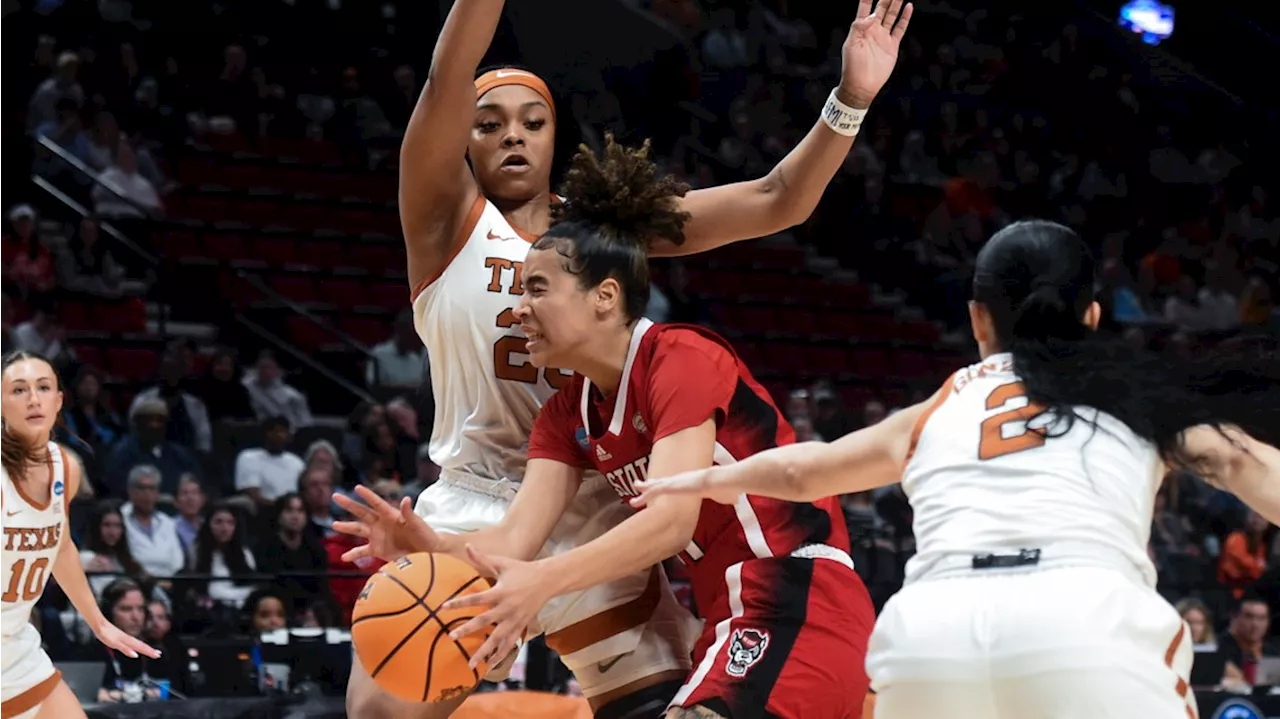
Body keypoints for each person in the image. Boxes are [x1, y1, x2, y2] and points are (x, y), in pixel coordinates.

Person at [356, 0, 913, 715]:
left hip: (607, 506)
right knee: (381, 705)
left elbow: (776, 199)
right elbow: (445, 76)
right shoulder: (442, 217)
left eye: (534, 121)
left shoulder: (599, 244)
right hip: (488, 503)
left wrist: (850, 100)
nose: (513, 136)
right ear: (462, 137)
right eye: (489, 123)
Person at [632, 221, 1280, 718]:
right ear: (1091, 317)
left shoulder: (939, 404)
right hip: (1084, 621)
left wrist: (698, 478)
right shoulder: (1136, 389)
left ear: (976, 319)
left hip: (927, 634)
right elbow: (1236, 457)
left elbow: (807, 471)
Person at [0, 350, 158, 717]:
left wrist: (99, 622)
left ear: (58, 401)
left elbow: (60, 545)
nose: (33, 398)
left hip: (17, 646)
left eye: (43, 387)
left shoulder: (65, 466)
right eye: (18, 390)